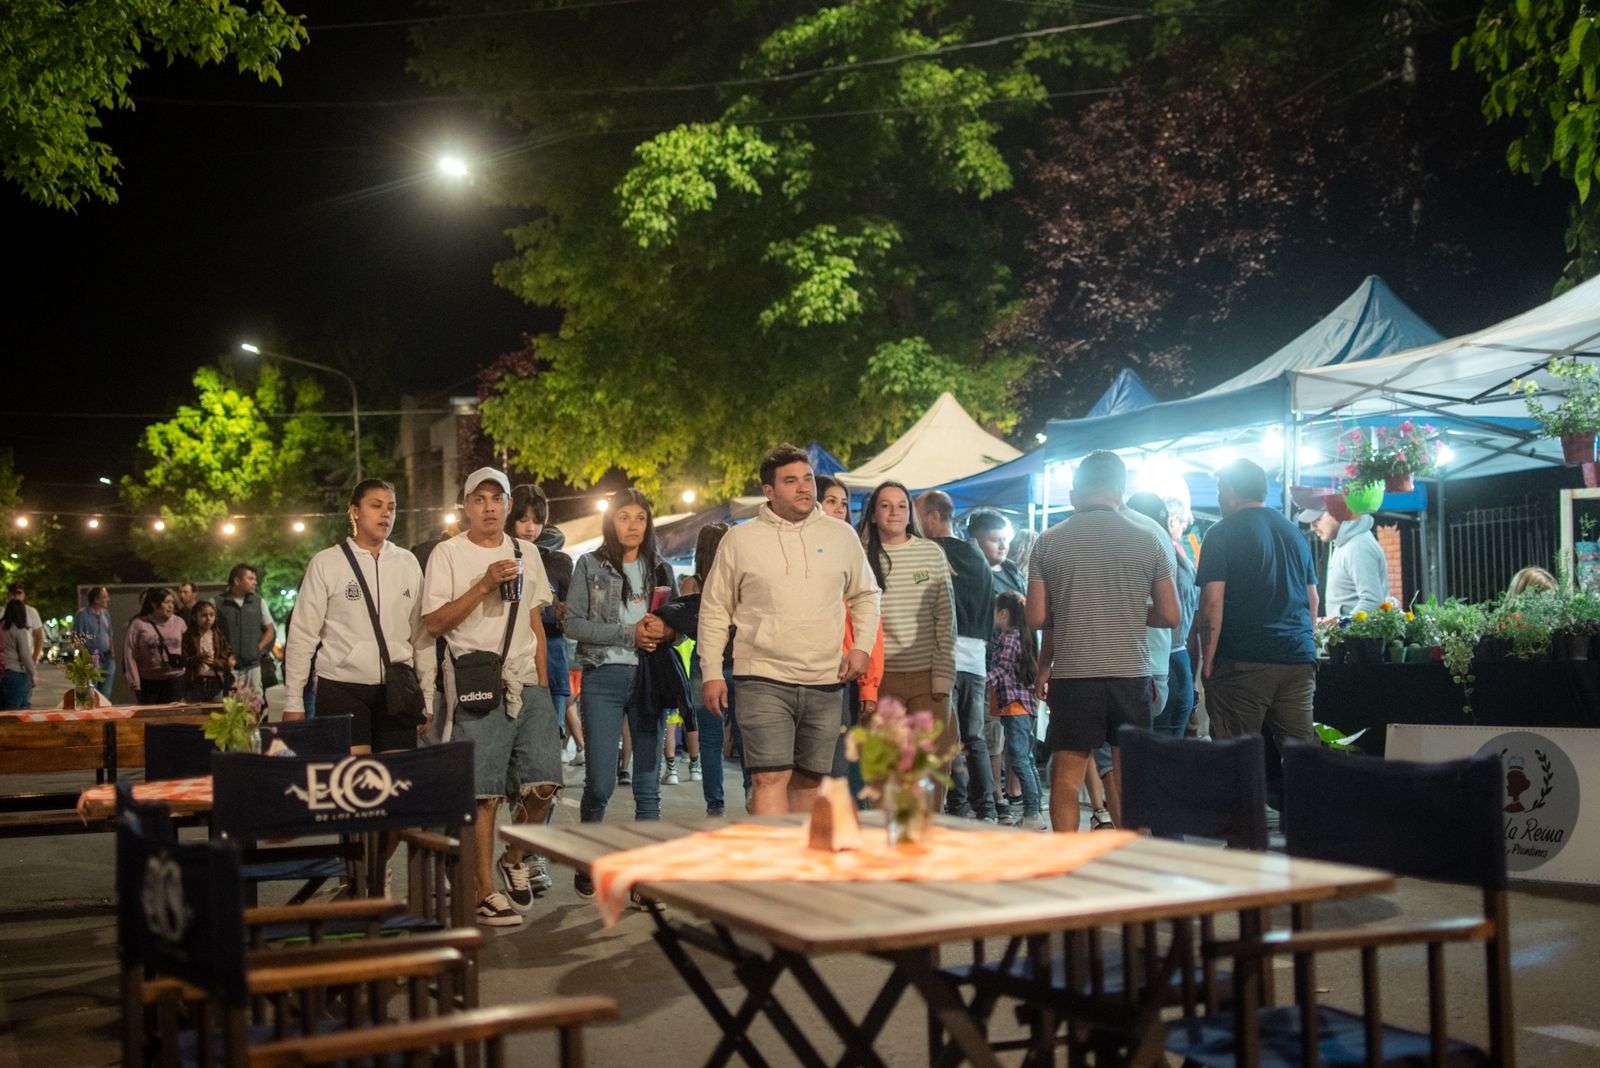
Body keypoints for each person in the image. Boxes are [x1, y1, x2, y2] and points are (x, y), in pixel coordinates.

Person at [699, 444, 879, 818]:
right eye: (791, 481)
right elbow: (715, 609)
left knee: (810, 783)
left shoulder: (841, 536)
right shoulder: (740, 540)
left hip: (825, 678)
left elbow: (866, 594)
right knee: (769, 778)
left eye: (808, 479)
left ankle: (799, 868)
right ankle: (769, 871)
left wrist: (861, 646)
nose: (804, 488)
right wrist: (712, 673)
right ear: (769, 491)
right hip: (761, 677)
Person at [422, 467, 562, 926]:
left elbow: (536, 623)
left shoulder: (527, 552)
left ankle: (514, 857)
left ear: (506, 504)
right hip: (476, 682)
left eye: (496, 498)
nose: (488, 507)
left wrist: (544, 684)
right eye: (479, 499)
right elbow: (435, 623)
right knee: (484, 794)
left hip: (528, 680)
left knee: (544, 784)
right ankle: (483, 889)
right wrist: (482, 584)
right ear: (466, 506)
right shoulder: (447, 553)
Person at [1026, 451, 1179, 833]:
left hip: (1075, 676)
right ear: (1120, 492)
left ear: (1075, 494)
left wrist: (1046, 661)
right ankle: (1131, 864)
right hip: (1131, 675)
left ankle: (1067, 864)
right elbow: (1171, 616)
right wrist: (1126, 608)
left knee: (1066, 777)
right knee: (1130, 778)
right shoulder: (1150, 540)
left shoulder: (1047, 542)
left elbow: (1037, 617)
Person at [565, 488, 678, 858]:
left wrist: (668, 632)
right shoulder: (589, 565)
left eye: (640, 517)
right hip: (603, 677)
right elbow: (573, 624)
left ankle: (646, 877)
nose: (633, 525)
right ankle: (586, 857)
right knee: (600, 782)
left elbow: (678, 624)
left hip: (649, 677)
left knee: (648, 784)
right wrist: (627, 633)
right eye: (624, 516)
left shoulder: (662, 568)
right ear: (611, 521)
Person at [284, 479, 434, 753]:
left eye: (391, 507)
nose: (385, 514)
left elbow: (421, 634)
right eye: (376, 506)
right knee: (355, 785)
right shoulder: (326, 563)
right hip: (341, 687)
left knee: (397, 782)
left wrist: (427, 696)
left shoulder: (407, 562)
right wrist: (293, 701)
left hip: (397, 688)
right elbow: (302, 635)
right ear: (354, 510)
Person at [1194, 459, 1319, 749]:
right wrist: (1304, 641)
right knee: (1304, 760)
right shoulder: (1294, 533)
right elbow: (1312, 598)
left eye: (1219, 490)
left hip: (1243, 661)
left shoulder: (1221, 532)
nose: (1218, 498)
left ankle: (1246, 797)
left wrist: (1208, 660)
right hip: (1297, 660)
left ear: (1232, 491)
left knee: (1236, 759)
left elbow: (1212, 601)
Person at [858, 481, 957, 801]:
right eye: (885, 505)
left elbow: (946, 618)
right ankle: (886, 843)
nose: (894, 512)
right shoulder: (861, 557)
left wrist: (943, 676)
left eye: (901, 505)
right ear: (873, 514)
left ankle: (925, 840)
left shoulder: (930, 552)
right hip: (880, 681)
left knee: (928, 772)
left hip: (927, 679)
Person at [914, 489, 997, 822]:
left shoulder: (931, 553)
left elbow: (917, 590)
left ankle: (956, 806)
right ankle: (987, 809)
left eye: (916, 516)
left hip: (943, 658)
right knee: (973, 738)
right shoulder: (978, 557)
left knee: (945, 738)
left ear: (933, 518)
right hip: (976, 660)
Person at [654, 523, 732, 817]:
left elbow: (682, 629)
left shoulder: (693, 584)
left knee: (710, 741)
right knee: (748, 738)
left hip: (703, 665)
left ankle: (715, 805)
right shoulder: (738, 578)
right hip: (742, 663)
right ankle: (752, 791)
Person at [816, 474, 883, 802]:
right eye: (831, 501)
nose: (840, 509)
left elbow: (871, 625)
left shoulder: (854, 553)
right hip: (796, 669)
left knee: (839, 768)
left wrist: (869, 684)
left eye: (844, 503)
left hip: (842, 676)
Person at [509, 483, 576, 763]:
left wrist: (563, 614)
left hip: (552, 656)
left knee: (549, 744)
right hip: (513, 658)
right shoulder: (503, 556)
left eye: (537, 521)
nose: (530, 528)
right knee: (516, 747)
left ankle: (542, 805)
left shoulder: (559, 561)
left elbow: (570, 614)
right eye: (523, 519)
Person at [1127, 493, 1198, 739]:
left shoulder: (1147, 558)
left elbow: (1170, 616)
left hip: (1156, 663)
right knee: (1170, 752)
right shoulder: (1182, 561)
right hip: (1181, 661)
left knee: (1153, 754)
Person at [987, 592, 1045, 829]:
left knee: (1020, 760)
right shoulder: (1021, 636)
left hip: (1015, 706)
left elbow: (1001, 670)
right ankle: (1035, 811)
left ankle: (1032, 813)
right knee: (1027, 759)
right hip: (1023, 706)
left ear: (1003, 614)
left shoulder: (1010, 638)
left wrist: (981, 680)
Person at [1298, 500, 1389, 618]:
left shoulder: (1358, 546)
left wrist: (1339, 626)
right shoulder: (1344, 543)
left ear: (1339, 514)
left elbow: (1372, 602)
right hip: (1351, 634)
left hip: (1358, 636)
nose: (1312, 527)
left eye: (1318, 519)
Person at [216, 564, 275, 693]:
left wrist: (257, 648)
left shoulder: (259, 602)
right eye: (250, 578)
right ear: (237, 581)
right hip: (228, 667)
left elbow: (270, 630)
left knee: (255, 705)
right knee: (231, 707)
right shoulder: (217, 602)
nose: (255, 582)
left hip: (253, 666)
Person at [123, 587, 188, 704]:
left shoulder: (179, 622)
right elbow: (129, 653)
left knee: (172, 718)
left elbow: (189, 649)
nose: (171, 606)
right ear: (154, 604)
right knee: (150, 718)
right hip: (148, 682)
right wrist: (134, 680)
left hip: (175, 679)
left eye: (172, 602)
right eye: (167, 602)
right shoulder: (139, 624)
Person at [181, 601, 234, 702]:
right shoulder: (189, 636)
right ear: (195, 617)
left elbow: (226, 656)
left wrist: (215, 662)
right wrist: (199, 657)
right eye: (204, 615)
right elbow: (185, 660)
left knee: (216, 713)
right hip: (196, 681)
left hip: (215, 680)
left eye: (211, 615)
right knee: (197, 713)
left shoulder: (218, 635)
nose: (208, 619)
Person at [968, 511, 1027, 599]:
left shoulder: (1013, 570)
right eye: (995, 540)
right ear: (975, 543)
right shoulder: (969, 578)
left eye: (1005, 540)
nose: (1003, 546)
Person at [73, 585, 116, 699]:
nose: (108, 599)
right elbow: (77, 638)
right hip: (91, 659)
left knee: (105, 694)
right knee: (90, 695)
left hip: (107, 659)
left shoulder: (105, 614)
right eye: (105, 597)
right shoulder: (82, 615)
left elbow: (109, 634)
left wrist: (112, 653)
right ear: (96, 599)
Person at [1, 601, 37, 710]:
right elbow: (25, 655)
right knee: (20, 710)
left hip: (3, 672)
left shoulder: (1, 628)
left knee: (4, 710)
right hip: (16, 673)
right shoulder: (19, 631)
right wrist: (33, 673)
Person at [7, 584, 43, 666]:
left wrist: (34, 658)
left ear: (24, 596)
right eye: (13, 593)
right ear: (8, 596)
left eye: (19, 593)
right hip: (5, 662)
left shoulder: (31, 612)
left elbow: (39, 637)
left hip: (24, 661)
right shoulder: (2, 612)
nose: (16, 596)